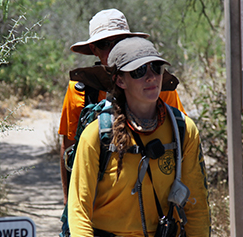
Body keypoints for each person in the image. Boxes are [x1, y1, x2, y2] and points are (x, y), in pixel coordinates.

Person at [68, 37, 212, 237]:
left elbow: (197, 208)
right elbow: (78, 212)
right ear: (118, 80)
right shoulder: (97, 134)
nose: (151, 77)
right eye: (139, 71)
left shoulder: (183, 130)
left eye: (156, 68)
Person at [59, 8, 186, 203]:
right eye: (104, 44)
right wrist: (69, 204)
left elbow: (182, 140)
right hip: (102, 202)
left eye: (119, 42)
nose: (113, 49)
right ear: (94, 49)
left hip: (157, 197)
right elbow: (69, 151)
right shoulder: (80, 90)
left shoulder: (158, 86)